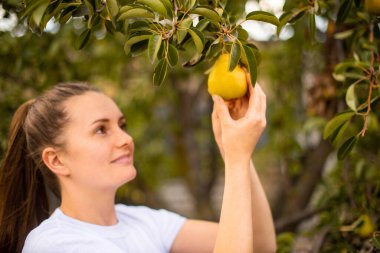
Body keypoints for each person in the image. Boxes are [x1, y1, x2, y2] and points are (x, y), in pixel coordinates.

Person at [0, 81, 276, 253]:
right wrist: (238, 158)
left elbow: (260, 245)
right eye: (100, 130)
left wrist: (235, 153)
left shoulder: (141, 221)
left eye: (122, 125)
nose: (126, 139)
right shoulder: (55, 244)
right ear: (56, 160)